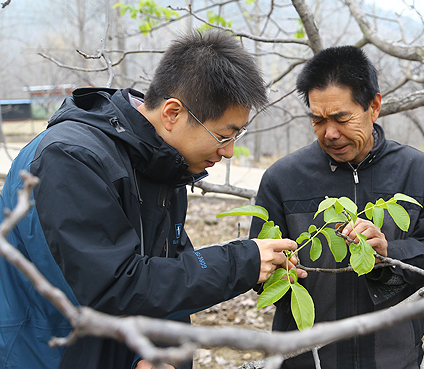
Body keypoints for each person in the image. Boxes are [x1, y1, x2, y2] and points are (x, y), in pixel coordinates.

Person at [0, 30, 303, 369]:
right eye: (222, 136)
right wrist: (240, 263)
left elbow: (168, 276)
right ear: (172, 113)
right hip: (52, 354)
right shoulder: (71, 158)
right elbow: (114, 285)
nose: (229, 152)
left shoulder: (161, 162)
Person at [249, 46, 424, 369]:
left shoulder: (419, 174)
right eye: (317, 120)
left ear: (374, 106)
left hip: (393, 359)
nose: (330, 133)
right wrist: (274, 272)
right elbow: (260, 268)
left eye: (341, 118)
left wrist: (389, 255)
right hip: (306, 359)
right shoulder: (283, 179)